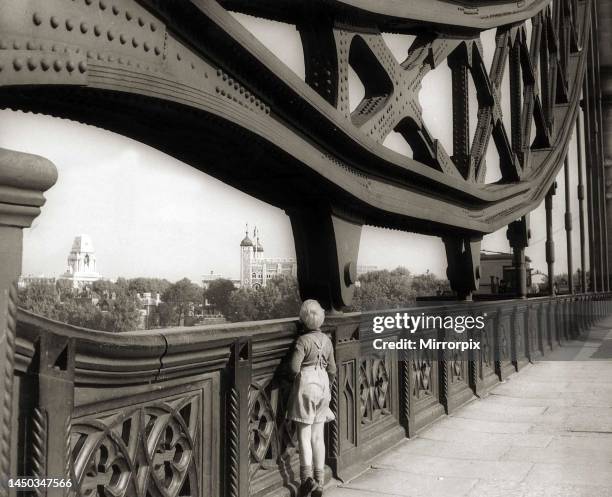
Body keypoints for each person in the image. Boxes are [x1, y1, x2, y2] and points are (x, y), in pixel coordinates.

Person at [287, 299, 336, 497]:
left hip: (306, 386)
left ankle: (306, 481)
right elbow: (332, 369)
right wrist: (328, 387)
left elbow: (293, 368)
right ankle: (320, 482)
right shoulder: (327, 341)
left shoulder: (302, 341)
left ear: (302, 320)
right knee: (318, 437)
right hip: (323, 385)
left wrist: (293, 380)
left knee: (304, 436)